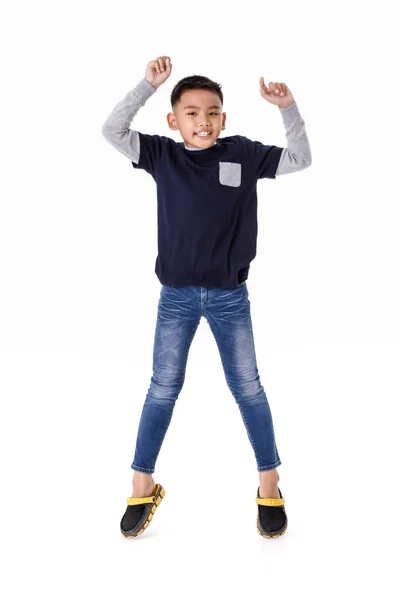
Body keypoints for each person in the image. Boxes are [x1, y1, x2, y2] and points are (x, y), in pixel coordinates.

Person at [101, 55, 312, 539]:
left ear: (224, 117)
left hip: (228, 298)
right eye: (192, 113)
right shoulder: (161, 154)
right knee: (162, 388)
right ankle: (142, 480)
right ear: (174, 121)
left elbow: (301, 159)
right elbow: (112, 130)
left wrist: (289, 108)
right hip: (175, 297)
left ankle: (269, 482)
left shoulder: (242, 153)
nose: (203, 120)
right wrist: (146, 86)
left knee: (248, 388)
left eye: (213, 111)